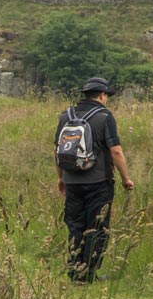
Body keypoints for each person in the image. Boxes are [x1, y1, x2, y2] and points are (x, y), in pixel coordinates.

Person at [55, 77, 134, 283]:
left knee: (75, 225)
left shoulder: (66, 116)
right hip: (99, 182)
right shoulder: (104, 116)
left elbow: (58, 150)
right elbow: (115, 151)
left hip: (72, 181)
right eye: (106, 95)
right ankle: (88, 273)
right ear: (101, 95)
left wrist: (61, 178)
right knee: (97, 227)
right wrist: (126, 178)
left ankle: (74, 271)